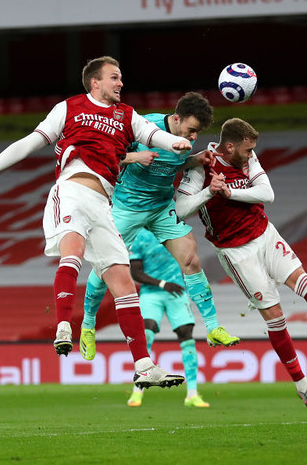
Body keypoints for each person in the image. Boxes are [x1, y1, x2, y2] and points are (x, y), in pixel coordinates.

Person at [0, 56, 188, 389]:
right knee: (73, 251)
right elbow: (30, 142)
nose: (121, 83)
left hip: (104, 205)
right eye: (114, 77)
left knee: (123, 282)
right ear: (95, 82)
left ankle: (144, 366)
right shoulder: (69, 108)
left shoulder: (127, 115)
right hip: (73, 189)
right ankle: (63, 326)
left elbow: (152, 134)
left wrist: (173, 142)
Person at [175, 117, 307, 420]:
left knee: (304, 282)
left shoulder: (248, 156)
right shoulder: (200, 167)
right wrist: (210, 192)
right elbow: (181, 210)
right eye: (247, 151)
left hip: (265, 233)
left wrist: (229, 194)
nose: (251, 156)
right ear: (230, 145)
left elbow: (267, 194)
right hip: (236, 252)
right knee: (275, 316)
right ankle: (304, 387)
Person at [78, 92, 239, 361]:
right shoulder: (142, 126)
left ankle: (212, 327)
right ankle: (87, 324)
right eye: (191, 130)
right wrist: (134, 158)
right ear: (176, 118)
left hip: (162, 207)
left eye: (197, 132)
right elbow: (104, 155)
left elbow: (170, 163)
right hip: (127, 208)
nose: (193, 137)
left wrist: (194, 159)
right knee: (105, 266)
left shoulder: (185, 142)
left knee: (190, 259)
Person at [125, 228, 211, 408]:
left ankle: (192, 394)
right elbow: (135, 272)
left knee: (186, 334)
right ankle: (138, 390)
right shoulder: (139, 236)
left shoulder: (172, 230)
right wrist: (162, 284)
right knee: (146, 332)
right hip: (152, 292)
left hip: (177, 289)